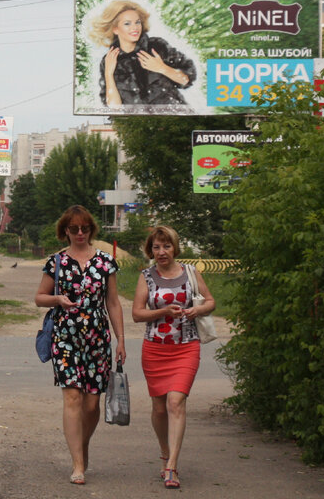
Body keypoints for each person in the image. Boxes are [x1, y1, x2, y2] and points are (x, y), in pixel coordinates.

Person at [34, 204, 126, 486]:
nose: (80, 233)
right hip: (65, 338)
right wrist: (58, 299)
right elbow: (39, 297)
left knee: (92, 403)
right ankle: (77, 463)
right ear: (65, 231)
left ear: (91, 230)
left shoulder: (105, 262)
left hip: (97, 338)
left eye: (84, 228)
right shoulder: (56, 262)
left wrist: (121, 338)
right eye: (73, 228)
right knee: (72, 397)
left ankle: (81, 447)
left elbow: (112, 302)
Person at [131, 225, 216, 489]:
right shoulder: (146, 276)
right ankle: (165, 451)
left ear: (175, 247)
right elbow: (137, 313)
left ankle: (171, 467)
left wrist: (197, 309)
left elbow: (211, 301)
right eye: (156, 247)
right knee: (159, 409)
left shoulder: (191, 273)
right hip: (155, 348)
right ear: (151, 250)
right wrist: (164, 311)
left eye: (166, 246)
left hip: (186, 347)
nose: (161, 251)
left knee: (175, 402)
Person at [90, 0, 197, 107]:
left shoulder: (157, 46)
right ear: (115, 29)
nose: (135, 27)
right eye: (127, 23)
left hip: (174, 119)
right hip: (138, 122)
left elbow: (186, 80)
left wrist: (162, 68)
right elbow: (114, 108)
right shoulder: (109, 60)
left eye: (137, 22)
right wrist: (109, 75)